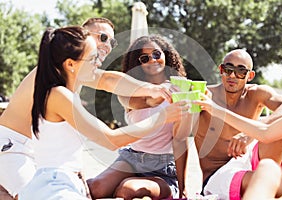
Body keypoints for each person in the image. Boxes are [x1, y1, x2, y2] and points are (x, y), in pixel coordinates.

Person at [0, 17, 174, 199]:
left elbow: (108, 80)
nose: (108, 46)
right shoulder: (55, 77)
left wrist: (153, 89)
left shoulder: (72, 74)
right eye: (103, 38)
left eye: (112, 42)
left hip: (40, 156)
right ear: (81, 36)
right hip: (13, 146)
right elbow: (109, 138)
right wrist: (161, 115)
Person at [180, 49, 282, 199]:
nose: (232, 76)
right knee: (263, 179)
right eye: (228, 69)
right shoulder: (205, 96)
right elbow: (179, 136)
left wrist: (251, 133)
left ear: (250, 75)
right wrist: (182, 189)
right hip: (218, 175)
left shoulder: (256, 94)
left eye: (240, 71)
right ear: (221, 70)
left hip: (249, 161)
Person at [87, 35, 194, 199]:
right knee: (95, 188)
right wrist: (161, 90)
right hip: (132, 159)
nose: (152, 60)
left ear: (166, 54)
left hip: (164, 166)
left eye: (157, 54)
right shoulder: (128, 91)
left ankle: (138, 184)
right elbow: (146, 101)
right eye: (145, 58)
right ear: (139, 63)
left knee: (128, 189)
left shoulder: (181, 89)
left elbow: (180, 140)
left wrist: (183, 189)